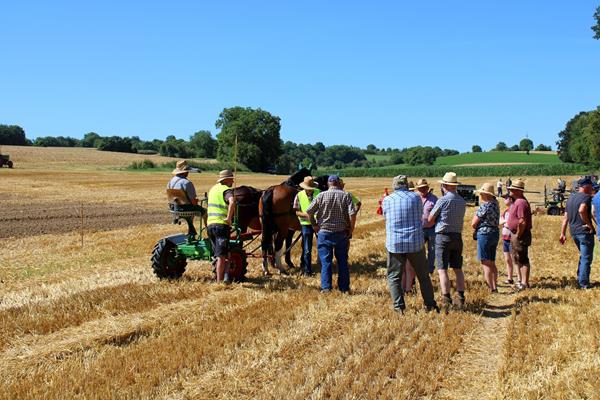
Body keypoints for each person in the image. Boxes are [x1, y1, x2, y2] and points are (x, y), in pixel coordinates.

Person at [382, 175, 439, 313]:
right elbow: (420, 215)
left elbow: (385, 218)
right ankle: (430, 305)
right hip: (415, 242)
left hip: (395, 243)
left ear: (394, 185)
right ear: (406, 185)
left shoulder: (387, 200)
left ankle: (399, 307)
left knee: (394, 277)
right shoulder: (415, 198)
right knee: (423, 276)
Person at [306, 175, 356, 293]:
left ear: (328, 184)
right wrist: (351, 229)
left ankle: (326, 288)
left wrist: (314, 225)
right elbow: (352, 214)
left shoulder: (321, 195)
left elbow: (309, 211)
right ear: (338, 183)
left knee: (326, 262)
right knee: (342, 261)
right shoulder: (346, 195)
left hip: (324, 233)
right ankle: (343, 288)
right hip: (341, 233)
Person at [428, 172, 467, 308]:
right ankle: (461, 296)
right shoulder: (462, 201)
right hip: (457, 236)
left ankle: (446, 298)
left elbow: (430, 219)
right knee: (457, 268)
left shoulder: (443, 200)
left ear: (444, 185)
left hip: (443, 236)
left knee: (442, 269)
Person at [560, 177, 595, 289]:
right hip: (584, 231)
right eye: (591, 186)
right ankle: (583, 283)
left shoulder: (571, 198)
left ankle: (580, 277)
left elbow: (565, 218)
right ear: (586, 186)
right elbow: (582, 210)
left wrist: (562, 233)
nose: (592, 188)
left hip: (573, 231)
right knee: (586, 258)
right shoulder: (586, 197)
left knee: (583, 256)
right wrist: (590, 225)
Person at [206, 169, 236, 283]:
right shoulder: (226, 190)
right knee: (221, 256)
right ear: (226, 179)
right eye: (231, 179)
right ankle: (219, 282)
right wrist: (229, 218)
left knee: (223, 252)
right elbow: (232, 202)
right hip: (221, 226)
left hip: (210, 225)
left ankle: (227, 277)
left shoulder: (213, 189)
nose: (233, 181)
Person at [472, 183, 500, 293]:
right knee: (492, 261)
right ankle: (495, 284)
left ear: (485, 194)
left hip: (484, 234)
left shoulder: (485, 206)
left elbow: (473, 224)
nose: (480, 195)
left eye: (481, 193)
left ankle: (491, 287)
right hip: (494, 233)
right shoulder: (495, 204)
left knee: (485, 262)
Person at [506, 179, 533, 291]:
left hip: (520, 234)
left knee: (522, 259)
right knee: (518, 258)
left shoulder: (521, 202)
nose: (510, 191)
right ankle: (522, 282)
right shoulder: (518, 202)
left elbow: (522, 221)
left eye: (512, 189)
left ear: (518, 191)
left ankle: (524, 283)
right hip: (516, 233)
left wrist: (518, 234)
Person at [293, 176, 321, 276]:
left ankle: (323, 266)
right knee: (307, 249)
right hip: (306, 225)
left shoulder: (319, 193)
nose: (309, 191)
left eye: (311, 189)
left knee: (322, 246)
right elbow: (296, 211)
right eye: (308, 189)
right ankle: (307, 270)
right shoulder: (299, 195)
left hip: (319, 224)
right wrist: (307, 215)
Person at [415, 178, 437, 274]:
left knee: (432, 251)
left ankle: (430, 270)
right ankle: (420, 269)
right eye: (420, 188)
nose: (422, 190)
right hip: (419, 229)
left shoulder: (434, 199)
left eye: (424, 188)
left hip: (432, 229)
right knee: (418, 251)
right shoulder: (415, 198)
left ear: (428, 188)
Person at [499, 195, 518, 285]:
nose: (504, 200)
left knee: (515, 259)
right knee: (507, 259)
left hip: (511, 238)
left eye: (506, 198)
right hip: (505, 238)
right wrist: (506, 223)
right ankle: (510, 278)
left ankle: (519, 279)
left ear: (511, 199)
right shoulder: (506, 211)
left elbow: (513, 224)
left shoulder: (514, 211)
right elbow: (500, 221)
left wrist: (506, 223)